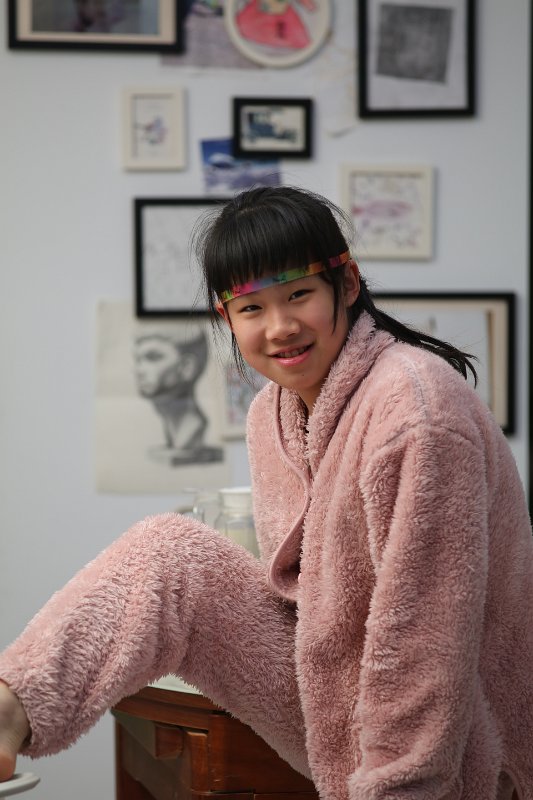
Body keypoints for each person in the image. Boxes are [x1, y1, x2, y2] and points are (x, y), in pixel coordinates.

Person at [0, 186, 532, 800]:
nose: (280, 328)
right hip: (339, 695)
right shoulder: (271, 413)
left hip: (465, 749)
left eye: (298, 294)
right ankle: (10, 711)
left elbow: (425, 637)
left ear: (347, 284)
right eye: (251, 307)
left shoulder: (416, 412)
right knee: (170, 552)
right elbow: (303, 596)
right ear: (225, 318)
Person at [133, 328, 223, 465]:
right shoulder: (171, 431)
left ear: (187, 367)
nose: (138, 370)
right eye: (138, 360)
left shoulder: (192, 429)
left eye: (153, 358)